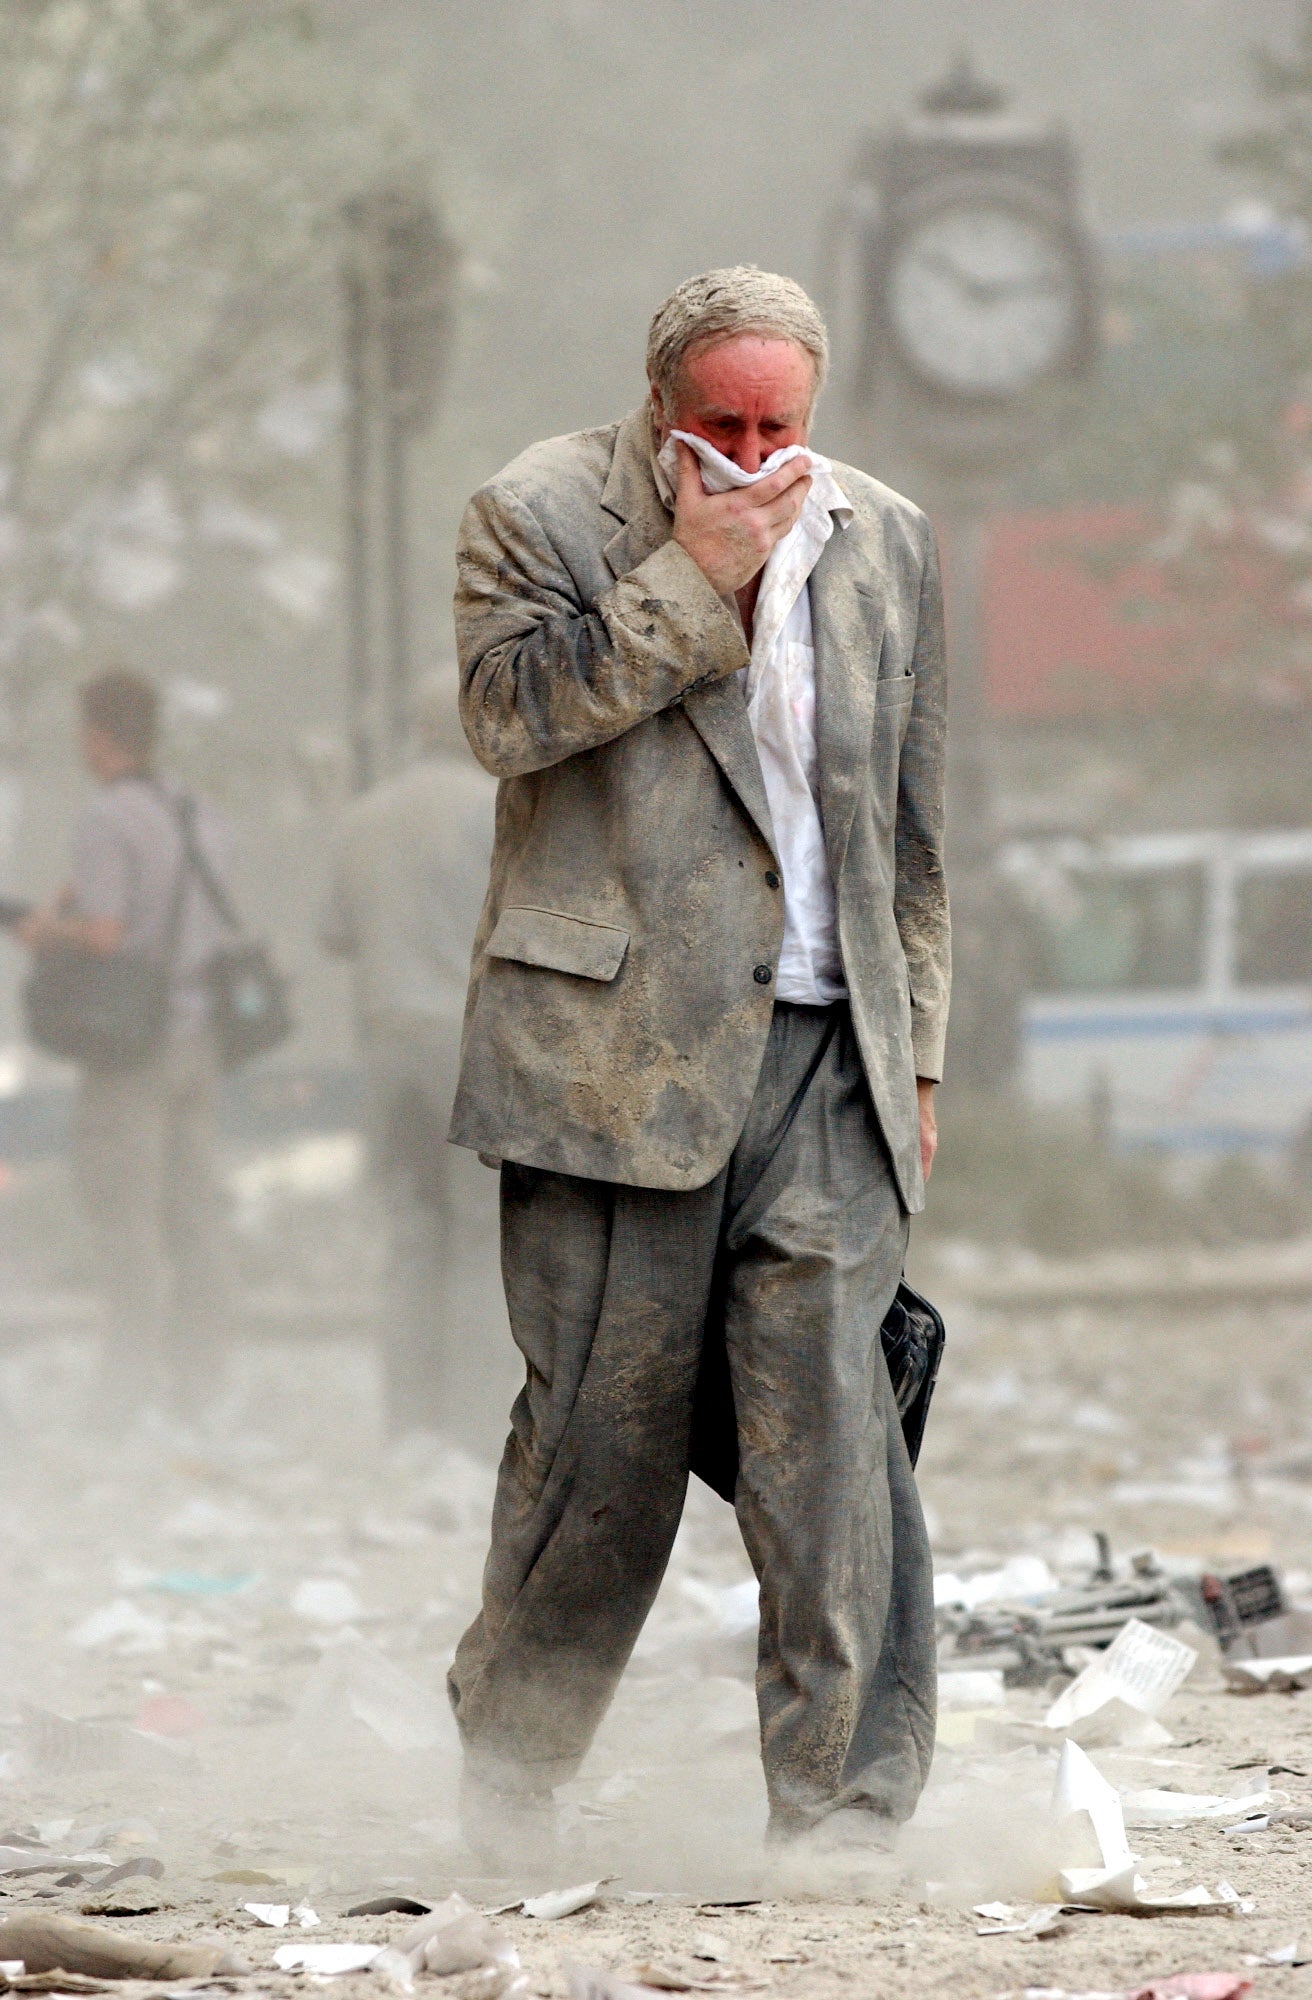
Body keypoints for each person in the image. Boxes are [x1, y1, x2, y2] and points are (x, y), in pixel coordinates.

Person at [445, 267, 950, 1879]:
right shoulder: (538, 512)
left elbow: (911, 841)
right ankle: (508, 1785)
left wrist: (915, 1051)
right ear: (660, 403)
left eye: (778, 426)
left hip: (828, 1048)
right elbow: (505, 720)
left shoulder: (885, 538)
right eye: (718, 425)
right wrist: (691, 580)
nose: (751, 454)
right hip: (608, 1061)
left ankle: (847, 1811)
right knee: (600, 1449)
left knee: (834, 1440)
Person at [18, 669, 235, 1424]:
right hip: (199, 1040)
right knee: (195, 1219)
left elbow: (108, 935)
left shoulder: (106, 816)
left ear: (97, 736)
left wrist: (43, 931)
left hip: (133, 1052)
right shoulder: (194, 810)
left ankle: (126, 1390)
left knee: (126, 1221)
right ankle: (202, 1386)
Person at [320, 677, 497, 1445]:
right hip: (466, 1041)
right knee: (478, 1231)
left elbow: (332, 933)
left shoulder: (363, 817)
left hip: (387, 1043)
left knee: (411, 1231)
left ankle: (407, 1421)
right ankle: (473, 1420)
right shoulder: (496, 810)